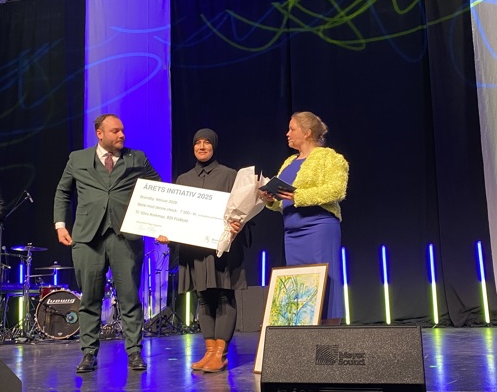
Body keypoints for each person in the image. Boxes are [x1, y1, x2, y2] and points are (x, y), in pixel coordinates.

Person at [53, 114, 161, 373]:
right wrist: (60, 224)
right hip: (87, 238)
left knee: (129, 298)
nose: (122, 135)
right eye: (115, 131)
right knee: (90, 299)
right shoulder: (77, 159)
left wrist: (157, 224)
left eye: (122, 130)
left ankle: (134, 352)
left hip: (125, 237)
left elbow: (158, 188)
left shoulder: (137, 158)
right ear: (99, 134)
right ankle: (88, 353)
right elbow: (63, 191)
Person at [156, 128, 247, 373]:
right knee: (204, 299)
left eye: (207, 142)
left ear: (214, 146)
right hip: (194, 251)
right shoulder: (183, 180)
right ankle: (209, 352)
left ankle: (220, 354)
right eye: (198, 143)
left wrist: (239, 223)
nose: (202, 147)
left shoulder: (229, 175)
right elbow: (176, 216)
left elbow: (243, 210)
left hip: (221, 250)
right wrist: (167, 233)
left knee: (224, 296)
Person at [261, 111, 349, 322]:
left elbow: (337, 190)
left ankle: (330, 337)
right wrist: (270, 199)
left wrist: (299, 195)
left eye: (292, 129)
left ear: (307, 133)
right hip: (292, 234)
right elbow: (284, 200)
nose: (287, 133)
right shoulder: (289, 162)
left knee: (325, 283)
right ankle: (305, 334)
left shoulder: (330, 158)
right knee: (299, 287)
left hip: (318, 228)